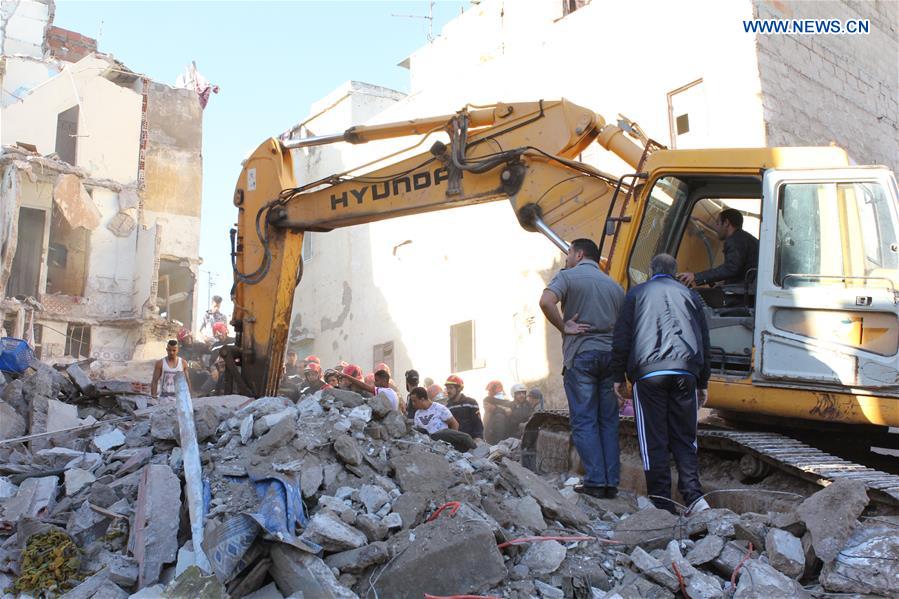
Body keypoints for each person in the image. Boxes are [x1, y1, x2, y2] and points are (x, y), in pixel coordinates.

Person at [611, 253, 711, 515]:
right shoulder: (691, 296)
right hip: (685, 372)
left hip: (649, 374)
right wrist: (703, 382)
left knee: (653, 438)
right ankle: (694, 498)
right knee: (685, 437)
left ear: (650, 270)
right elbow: (704, 339)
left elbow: (621, 337)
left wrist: (617, 377)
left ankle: (662, 503)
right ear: (675, 271)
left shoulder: (636, 294)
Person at [539, 237, 625, 499]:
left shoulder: (568, 277)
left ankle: (596, 480)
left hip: (582, 356)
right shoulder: (615, 286)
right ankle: (611, 483)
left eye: (568, 253)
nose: (566, 259)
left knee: (585, 420)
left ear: (578, 253)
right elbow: (625, 327)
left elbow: (545, 301)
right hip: (610, 359)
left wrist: (564, 326)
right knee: (608, 421)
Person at [677, 208, 759, 288]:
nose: (716, 227)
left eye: (717, 223)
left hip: (742, 294)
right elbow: (738, 269)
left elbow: (731, 268)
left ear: (726, 223)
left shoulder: (735, 240)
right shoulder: (745, 238)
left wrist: (696, 277)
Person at [444, 375, 484, 440]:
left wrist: (478, 437)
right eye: (447, 388)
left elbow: (477, 423)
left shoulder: (471, 403)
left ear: (459, 388)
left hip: (472, 441)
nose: (448, 391)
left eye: (451, 388)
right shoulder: (447, 407)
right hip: (456, 443)